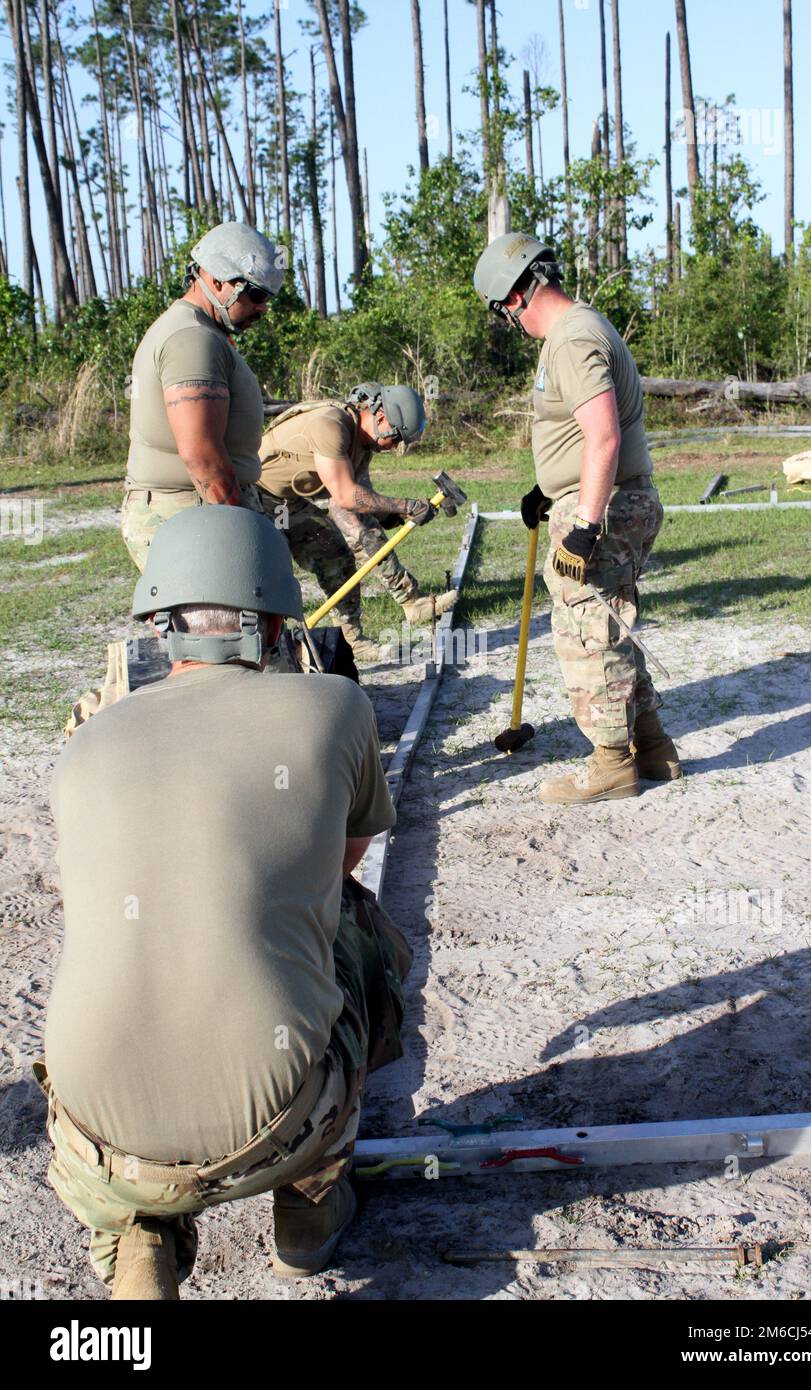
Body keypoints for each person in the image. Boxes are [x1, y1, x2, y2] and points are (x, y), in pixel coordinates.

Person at [37, 505, 411, 1300]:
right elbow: (343, 864)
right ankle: (308, 1206)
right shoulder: (334, 707)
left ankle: (140, 1239)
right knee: (355, 927)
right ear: (278, 618)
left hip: (96, 1133)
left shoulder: (86, 742)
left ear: (161, 621)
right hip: (276, 1121)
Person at [473, 231, 681, 804]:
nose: (509, 325)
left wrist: (585, 524)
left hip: (605, 504)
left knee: (587, 633)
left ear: (513, 298)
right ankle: (653, 747)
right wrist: (548, 489)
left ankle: (611, 765)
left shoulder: (570, 338)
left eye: (502, 314)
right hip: (607, 497)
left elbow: (604, 435)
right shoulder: (583, 328)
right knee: (609, 622)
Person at [120, 221, 284, 572]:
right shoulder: (192, 339)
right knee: (222, 627)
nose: (263, 308)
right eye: (255, 295)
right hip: (192, 517)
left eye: (268, 298)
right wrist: (243, 537)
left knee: (242, 625)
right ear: (216, 280)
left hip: (201, 512)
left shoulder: (200, 331)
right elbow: (202, 456)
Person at [257, 382, 457, 660]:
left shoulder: (362, 444)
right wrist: (406, 505)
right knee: (268, 579)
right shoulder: (331, 425)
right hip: (255, 496)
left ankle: (355, 642)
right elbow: (347, 496)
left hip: (287, 502)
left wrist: (396, 514)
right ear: (381, 418)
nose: (394, 447)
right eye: (397, 439)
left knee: (337, 559)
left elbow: (357, 507)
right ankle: (272, 652)